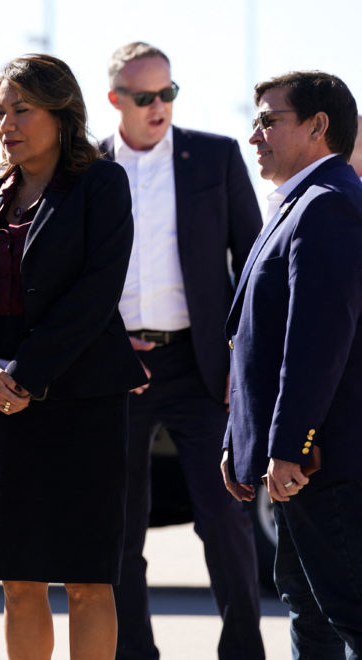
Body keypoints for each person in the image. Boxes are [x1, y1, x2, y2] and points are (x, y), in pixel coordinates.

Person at [0, 54, 146, 660]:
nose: (7, 124)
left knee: (86, 580)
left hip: (82, 407)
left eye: (22, 110)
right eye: (1, 112)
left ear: (62, 114)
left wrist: (25, 374)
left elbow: (97, 292)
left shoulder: (101, 184)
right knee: (18, 581)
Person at [98, 42, 265, 660]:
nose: (160, 106)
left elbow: (252, 263)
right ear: (116, 100)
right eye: (146, 97)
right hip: (118, 370)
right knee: (121, 528)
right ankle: (134, 651)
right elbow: (70, 277)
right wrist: (108, 347)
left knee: (225, 518)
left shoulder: (213, 158)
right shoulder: (88, 165)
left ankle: (244, 649)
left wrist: (238, 357)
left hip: (202, 367)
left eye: (169, 93)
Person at [223, 71, 362, 658]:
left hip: (324, 463)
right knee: (311, 613)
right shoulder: (297, 203)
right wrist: (243, 440)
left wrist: (290, 445)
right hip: (300, 461)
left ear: (317, 126)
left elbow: (316, 342)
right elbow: (255, 341)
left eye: (268, 121)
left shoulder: (327, 206)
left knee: (347, 609)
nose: (254, 135)